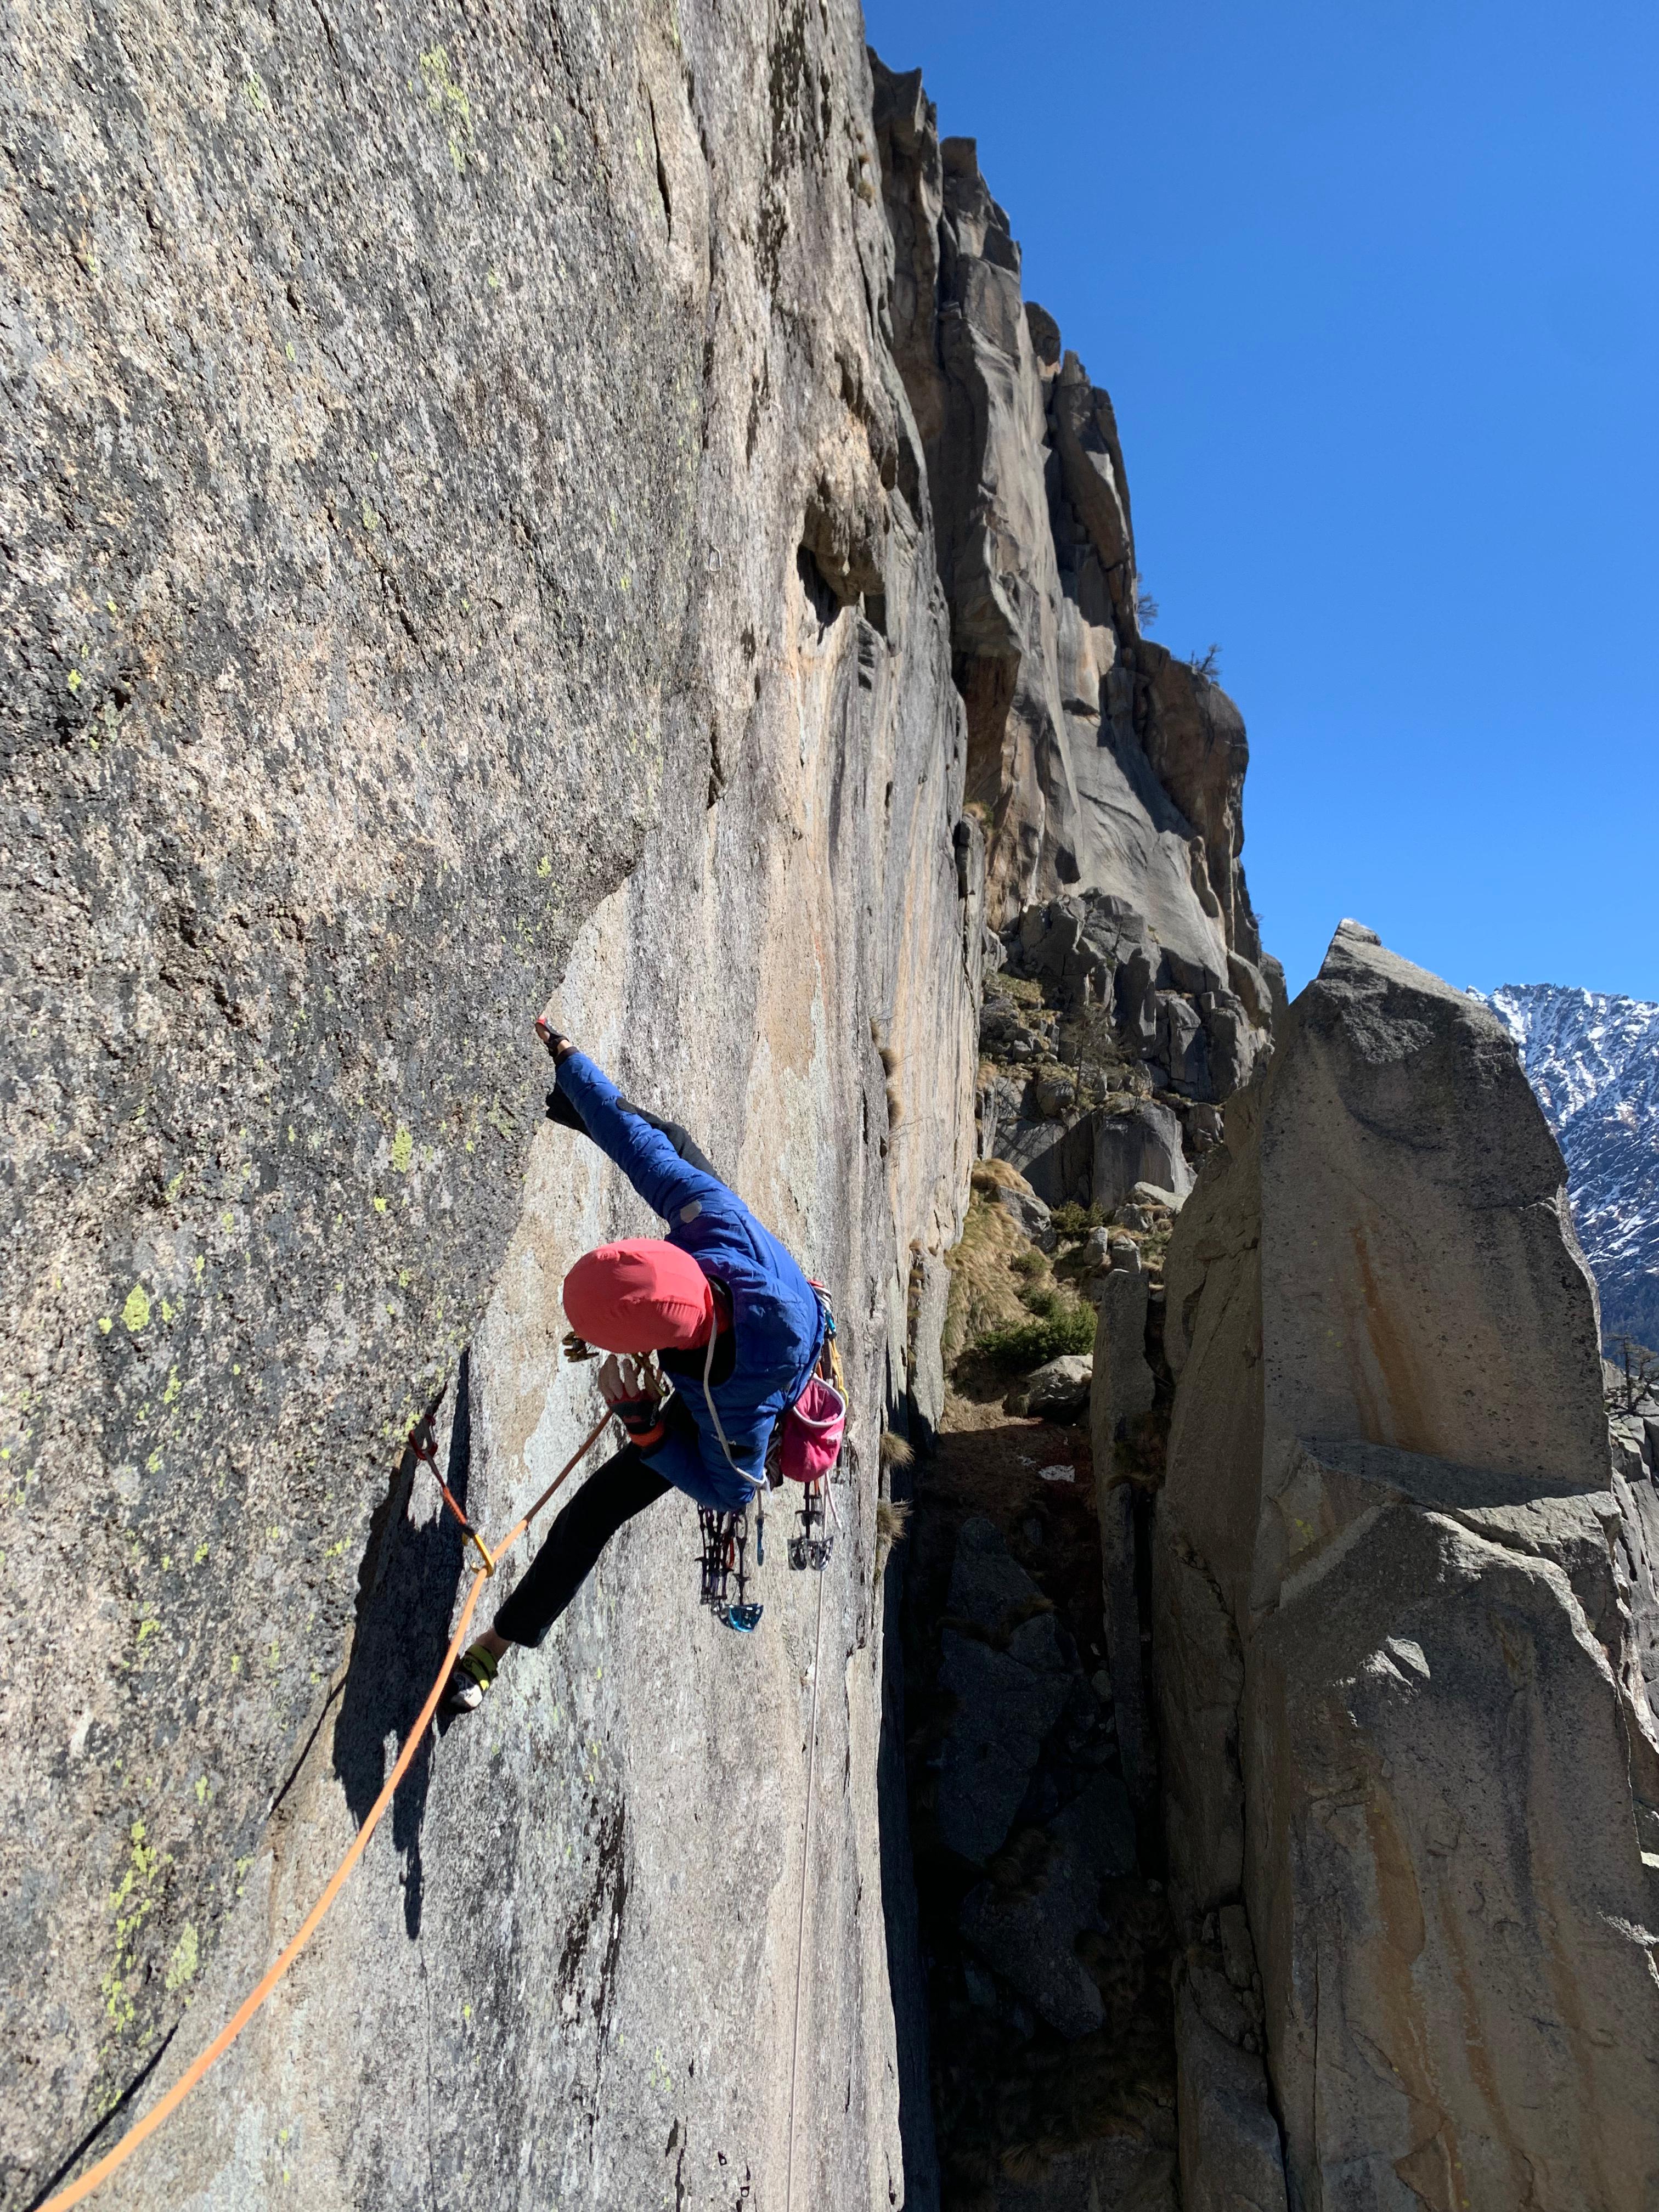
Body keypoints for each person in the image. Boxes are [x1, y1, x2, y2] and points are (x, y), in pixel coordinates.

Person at [444, 1011, 827, 1711]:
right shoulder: (708, 1214)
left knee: (595, 1512)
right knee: (670, 1143)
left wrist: (650, 1430)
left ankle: (492, 1651)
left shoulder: (737, 1398)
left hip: (753, 1369)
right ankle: (543, 1092)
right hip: (749, 1276)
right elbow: (634, 1142)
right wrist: (568, 1059)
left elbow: (731, 1490)